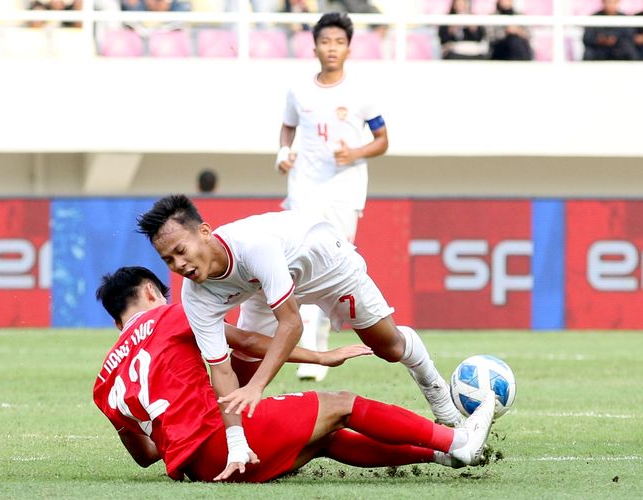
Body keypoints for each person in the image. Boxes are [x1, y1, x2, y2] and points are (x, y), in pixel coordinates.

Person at [137, 195, 465, 475]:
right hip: (261, 289)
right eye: (168, 259)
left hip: (325, 264)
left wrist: (258, 387)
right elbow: (220, 370)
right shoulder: (195, 296)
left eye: (181, 250)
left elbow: (292, 325)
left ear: (205, 232)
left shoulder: (253, 245)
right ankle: (246, 445)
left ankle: (434, 384)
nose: (179, 264)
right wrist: (234, 441)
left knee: (389, 347)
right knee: (241, 369)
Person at [92, 266, 496, 482]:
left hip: (198, 470)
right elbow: (247, 341)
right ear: (150, 293)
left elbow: (146, 456)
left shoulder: (104, 383)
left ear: (116, 323)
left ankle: (441, 455)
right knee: (341, 405)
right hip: (224, 442)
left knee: (326, 439)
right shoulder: (171, 313)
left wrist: (178, 428)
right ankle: (456, 439)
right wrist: (320, 357)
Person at [276, 12, 389, 382]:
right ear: (315, 47)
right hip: (305, 188)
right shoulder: (299, 90)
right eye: (326, 42)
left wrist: (354, 153)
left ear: (348, 48)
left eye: (339, 42)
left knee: (334, 264)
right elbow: (288, 127)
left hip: (345, 191)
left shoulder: (361, 94)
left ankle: (321, 338)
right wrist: (283, 153)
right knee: (299, 262)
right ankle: (308, 352)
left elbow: (382, 140)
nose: (332, 48)